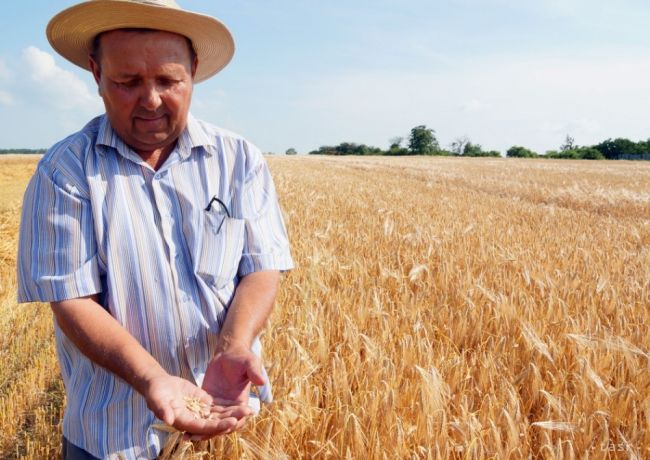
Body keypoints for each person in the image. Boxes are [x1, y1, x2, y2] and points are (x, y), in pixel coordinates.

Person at [16, 1, 294, 458]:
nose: (150, 100)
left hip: (231, 425)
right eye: (127, 82)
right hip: (111, 436)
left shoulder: (239, 159)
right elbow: (72, 300)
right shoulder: (65, 172)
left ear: (194, 72)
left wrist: (233, 346)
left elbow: (262, 268)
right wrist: (152, 379)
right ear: (96, 74)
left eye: (168, 80)